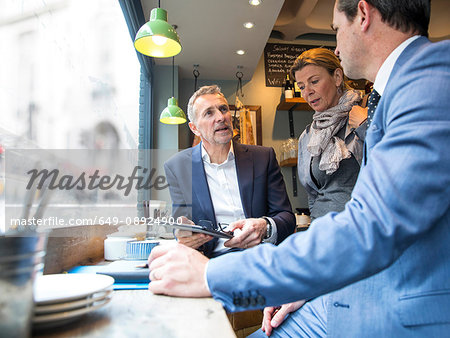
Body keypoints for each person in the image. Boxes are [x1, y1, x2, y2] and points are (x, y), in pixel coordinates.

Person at [148, 1, 450, 336]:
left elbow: (371, 226)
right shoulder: (399, 90)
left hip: (391, 299)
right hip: (338, 278)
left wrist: (211, 277)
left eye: (335, 28)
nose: (334, 44)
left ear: (362, 15)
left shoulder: (431, 81)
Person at [163, 85, 295, 258]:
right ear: (194, 128)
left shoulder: (263, 157)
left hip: (262, 258)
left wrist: (265, 225)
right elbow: (181, 226)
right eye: (209, 113)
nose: (221, 117)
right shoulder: (177, 167)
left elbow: (286, 217)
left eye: (223, 109)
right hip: (211, 262)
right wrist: (183, 233)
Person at [294, 47, 367, 220]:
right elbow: (313, 196)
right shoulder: (308, 136)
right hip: (322, 231)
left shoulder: (365, 113)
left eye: (314, 81)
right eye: (302, 86)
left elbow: (391, 163)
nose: (307, 92)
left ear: (337, 77)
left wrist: (365, 126)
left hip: (362, 228)